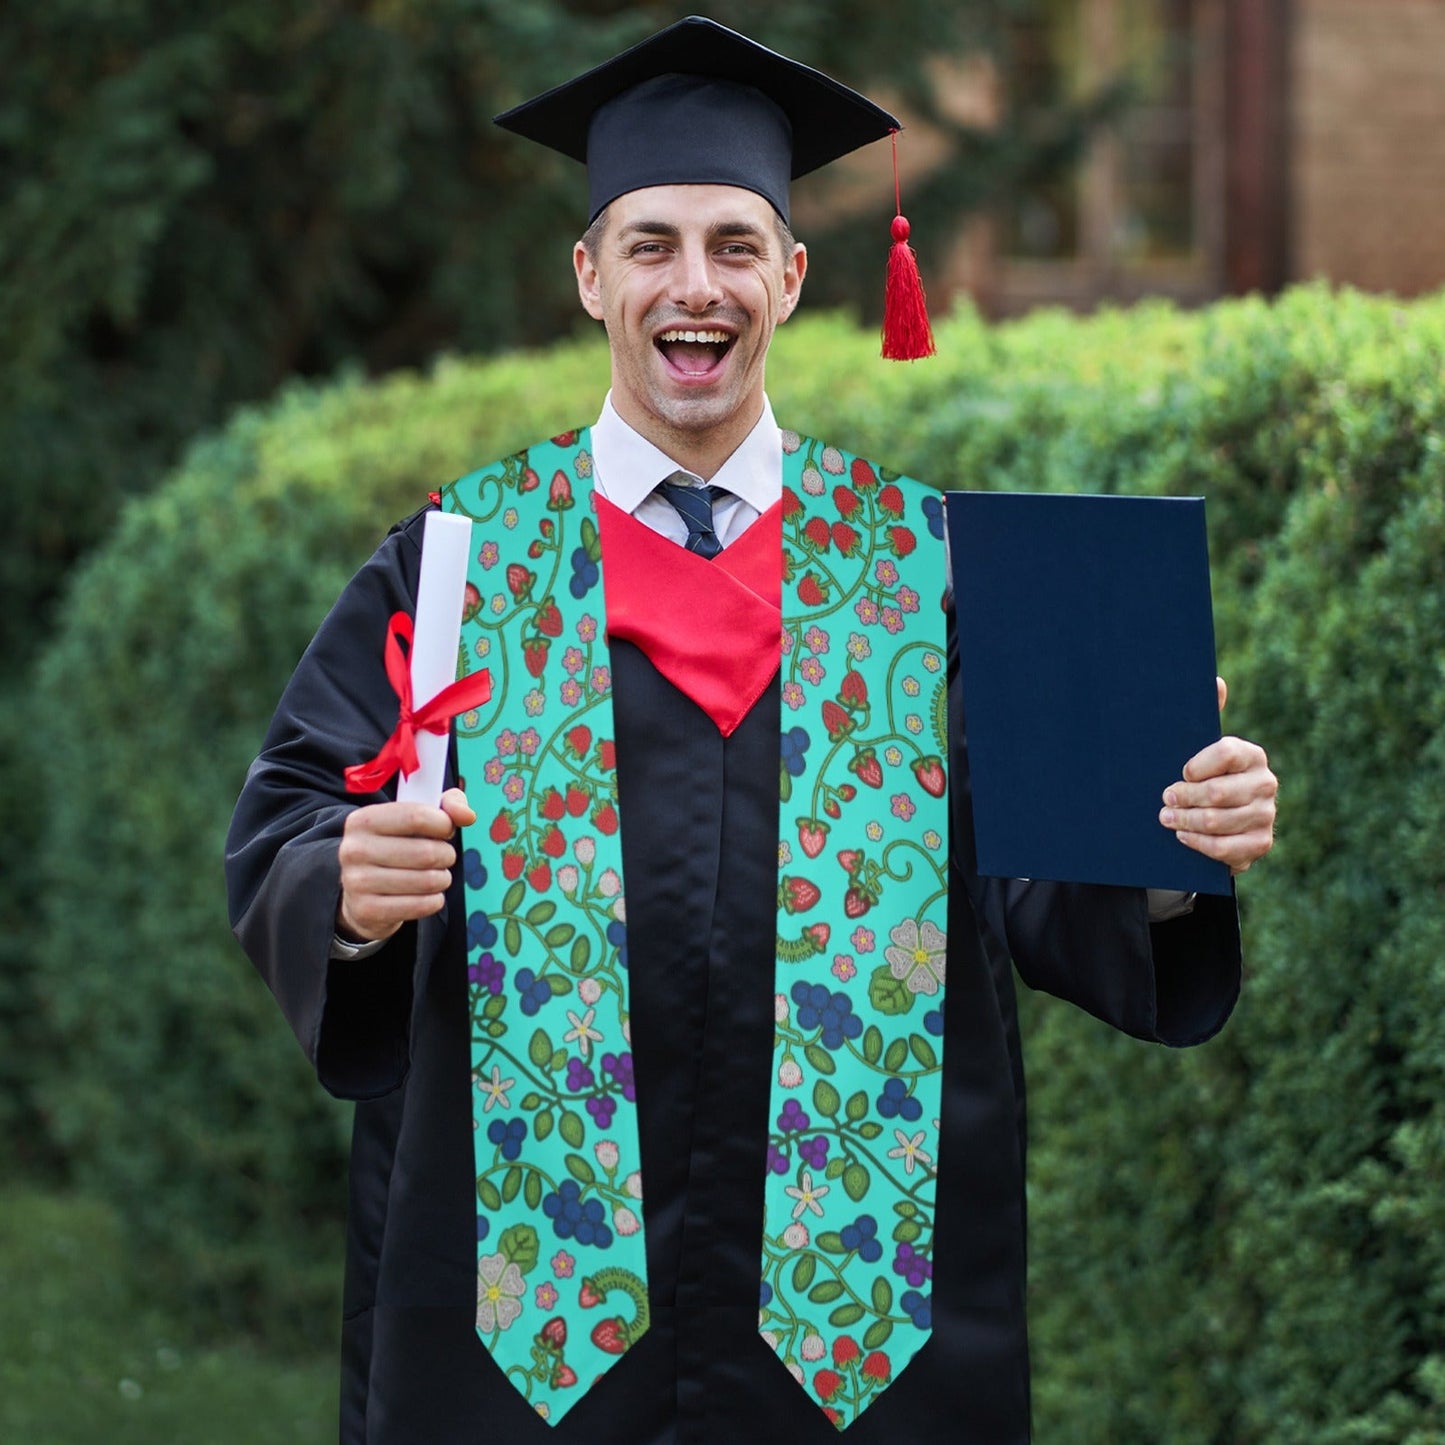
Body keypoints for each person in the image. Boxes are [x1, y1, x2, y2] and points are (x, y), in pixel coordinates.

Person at [225, 17, 1277, 1445]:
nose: (692, 285)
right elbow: (290, 818)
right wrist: (342, 888)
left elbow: (1039, 886)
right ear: (589, 275)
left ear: (789, 276)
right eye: (650, 244)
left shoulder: (928, 569)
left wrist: (1166, 844)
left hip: (860, 1326)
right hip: (527, 1325)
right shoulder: (462, 563)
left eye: (732, 244)